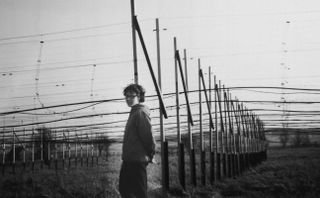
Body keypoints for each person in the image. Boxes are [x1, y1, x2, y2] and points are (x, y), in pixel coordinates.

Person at [119, 84, 156, 198]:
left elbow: (148, 136)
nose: (128, 98)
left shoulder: (140, 112)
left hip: (137, 160)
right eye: (126, 96)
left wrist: (151, 153)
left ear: (139, 96)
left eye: (131, 96)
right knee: (125, 190)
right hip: (129, 159)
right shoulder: (134, 112)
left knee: (139, 193)